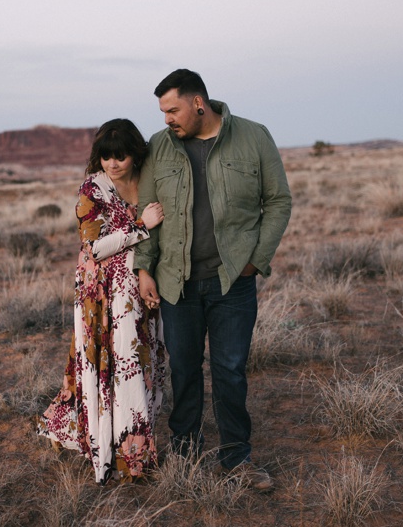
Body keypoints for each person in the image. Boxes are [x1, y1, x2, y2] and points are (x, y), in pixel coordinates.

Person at [135, 69, 292, 490]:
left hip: (232, 283)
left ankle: (236, 459)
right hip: (176, 282)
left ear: (198, 103)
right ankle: (185, 453)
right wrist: (144, 267)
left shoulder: (253, 136)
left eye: (173, 109)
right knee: (184, 370)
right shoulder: (159, 146)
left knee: (230, 370)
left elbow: (278, 200)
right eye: (163, 111)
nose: (167, 119)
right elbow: (148, 213)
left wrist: (255, 260)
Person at [37, 118, 167, 484]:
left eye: (120, 156)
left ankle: (129, 434)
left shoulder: (149, 179)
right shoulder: (91, 189)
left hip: (137, 286)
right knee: (109, 358)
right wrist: (142, 226)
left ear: (135, 153)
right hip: (100, 291)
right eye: (106, 156)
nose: (113, 163)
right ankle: (126, 451)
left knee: (139, 358)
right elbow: (94, 246)